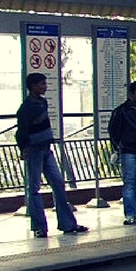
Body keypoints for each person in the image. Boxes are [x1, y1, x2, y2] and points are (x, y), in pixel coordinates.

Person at [15, 73, 90, 238]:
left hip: (46, 149)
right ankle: (39, 227)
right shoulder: (26, 108)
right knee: (34, 188)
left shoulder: (42, 102)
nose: (45, 86)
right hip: (34, 150)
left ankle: (68, 224)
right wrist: (24, 147)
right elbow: (21, 130)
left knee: (58, 183)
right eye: (41, 84)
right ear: (33, 86)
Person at [109, 81, 136, 224]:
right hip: (128, 150)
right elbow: (114, 131)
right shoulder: (121, 111)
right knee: (130, 182)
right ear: (131, 94)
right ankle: (130, 213)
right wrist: (119, 146)